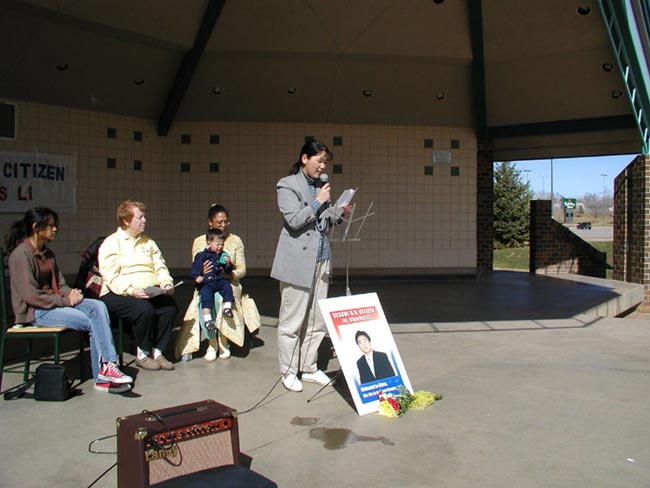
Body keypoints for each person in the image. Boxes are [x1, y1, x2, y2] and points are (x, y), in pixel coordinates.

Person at [5, 207, 132, 393]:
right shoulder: (21, 255)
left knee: (97, 306)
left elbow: (60, 285)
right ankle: (103, 375)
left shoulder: (48, 254)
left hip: (54, 304)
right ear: (36, 227)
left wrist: (73, 293)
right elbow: (30, 296)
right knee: (92, 321)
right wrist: (66, 301)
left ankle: (107, 369)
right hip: (35, 311)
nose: (55, 229)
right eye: (51, 225)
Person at [271, 140, 351, 392]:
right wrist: (318, 201)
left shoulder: (321, 186)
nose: (323, 166)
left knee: (317, 319)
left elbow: (323, 221)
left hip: (322, 258)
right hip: (297, 261)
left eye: (325, 162)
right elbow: (294, 220)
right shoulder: (287, 184)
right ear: (305, 158)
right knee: (292, 320)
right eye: (319, 160)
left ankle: (308, 366)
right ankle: (288, 371)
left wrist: (339, 211)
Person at [98, 200, 178, 371]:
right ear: (126, 221)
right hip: (117, 293)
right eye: (140, 217)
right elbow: (110, 276)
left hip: (149, 292)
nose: (144, 220)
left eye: (144, 217)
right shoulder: (112, 243)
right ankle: (142, 353)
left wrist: (166, 283)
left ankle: (158, 352)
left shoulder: (148, 242)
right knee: (143, 309)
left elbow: (160, 266)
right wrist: (131, 290)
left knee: (169, 308)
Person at [175, 204, 253, 361]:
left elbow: (242, 269)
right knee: (205, 300)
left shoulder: (235, 240)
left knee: (221, 298)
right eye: (219, 222)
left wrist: (229, 273)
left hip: (228, 283)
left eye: (226, 222)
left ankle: (223, 340)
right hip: (207, 282)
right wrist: (202, 272)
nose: (223, 225)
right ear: (210, 223)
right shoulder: (199, 241)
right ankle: (212, 342)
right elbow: (196, 267)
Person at [191, 229, 235, 333]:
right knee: (206, 297)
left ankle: (227, 307)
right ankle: (207, 319)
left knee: (227, 287)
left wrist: (228, 264)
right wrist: (197, 276)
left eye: (222, 244)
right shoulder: (202, 255)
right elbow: (195, 267)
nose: (220, 247)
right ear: (209, 243)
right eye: (217, 244)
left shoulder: (223, 255)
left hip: (219, 280)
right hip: (207, 282)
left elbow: (228, 270)